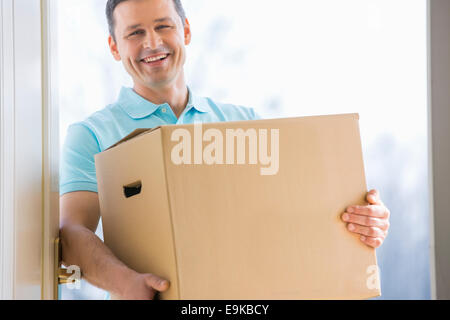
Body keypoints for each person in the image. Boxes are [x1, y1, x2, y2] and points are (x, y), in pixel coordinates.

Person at [59, 0, 391, 300]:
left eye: (163, 26)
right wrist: (126, 283)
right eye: (135, 33)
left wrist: (359, 222)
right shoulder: (91, 135)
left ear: (185, 31)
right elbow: (72, 236)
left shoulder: (243, 122)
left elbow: (289, 219)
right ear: (114, 48)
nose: (152, 42)